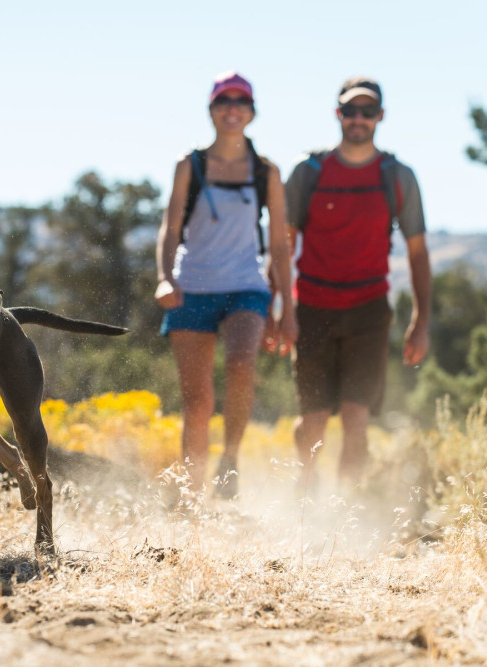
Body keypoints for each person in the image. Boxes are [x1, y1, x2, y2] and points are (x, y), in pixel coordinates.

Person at [283, 76, 431, 490]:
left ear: (381, 116)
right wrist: (278, 307)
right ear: (338, 114)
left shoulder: (397, 176)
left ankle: (345, 512)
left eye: (368, 111)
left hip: (369, 309)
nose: (359, 118)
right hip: (311, 307)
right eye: (351, 110)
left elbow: (418, 252)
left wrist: (421, 319)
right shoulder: (307, 172)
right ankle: (305, 493)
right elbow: (282, 246)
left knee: (356, 417)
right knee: (312, 420)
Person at [155, 71, 297, 497]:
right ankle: (191, 495)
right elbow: (170, 227)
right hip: (191, 287)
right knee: (196, 404)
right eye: (223, 101)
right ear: (211, 110)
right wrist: (164, 277)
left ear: (252, 113)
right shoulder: (190, 165)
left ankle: (230, 459)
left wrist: (286, 310)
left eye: (241, 102)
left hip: (245, 286)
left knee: (241, 364)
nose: (232, 109)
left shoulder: (266, 171)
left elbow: (278, 244)